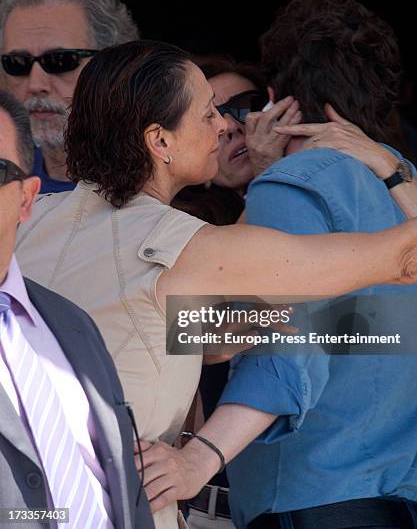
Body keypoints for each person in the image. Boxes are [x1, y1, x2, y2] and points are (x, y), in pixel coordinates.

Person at [15, 39, 417, 529]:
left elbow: (175, 333)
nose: (226, 125)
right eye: (208, 114)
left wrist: (289, 320)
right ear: (159, 141)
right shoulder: (183, 248)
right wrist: (390, 168)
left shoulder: (27, 223)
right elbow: (405, 259)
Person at [165, 0, 417, 529]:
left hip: (314, 498)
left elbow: (285, 343)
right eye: (212, 114)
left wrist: (198, 458)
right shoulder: (400, 186)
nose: (230, 127)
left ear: (279, 103)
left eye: (242, 107)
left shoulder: (291, 186)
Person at [0, 89, 154, 529]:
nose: (223, 126)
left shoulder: (71, 323)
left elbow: (116, 484)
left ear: (26, 199)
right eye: (208, 115)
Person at [0, 0, 139, 193]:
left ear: (114, 64)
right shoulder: (7, 176)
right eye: (18, 63)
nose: (36, 84)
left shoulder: (165, 172)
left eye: (60, 61)